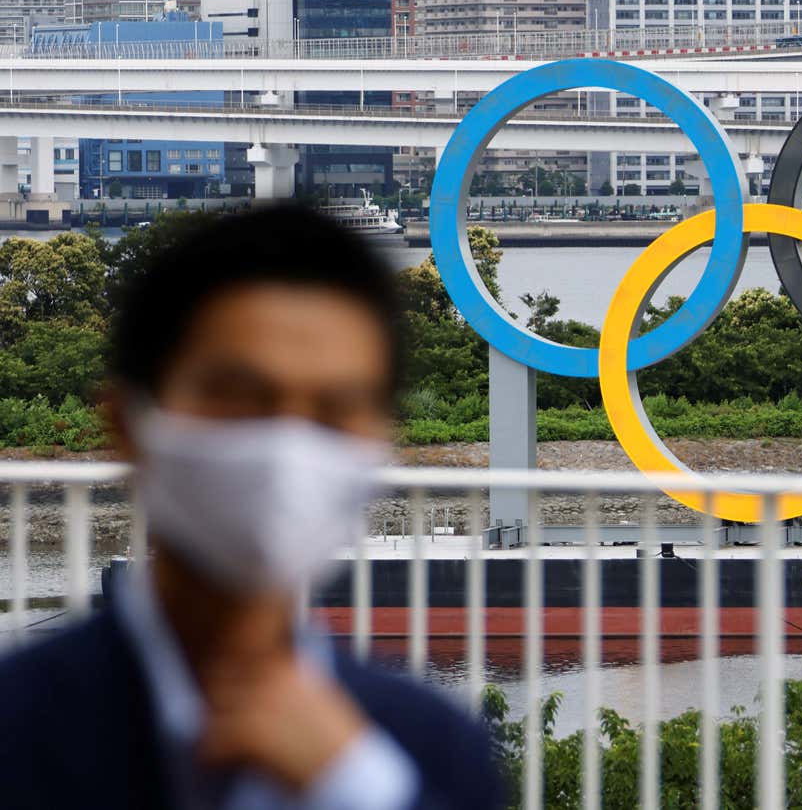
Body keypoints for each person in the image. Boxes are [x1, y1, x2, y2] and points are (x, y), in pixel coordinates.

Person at [0, 204, 500, 809]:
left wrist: (358, 787)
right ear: (127, 423)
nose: (287, 447)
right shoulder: (18, 728)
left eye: (335, 408)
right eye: (240, 398)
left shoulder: (435, 748)